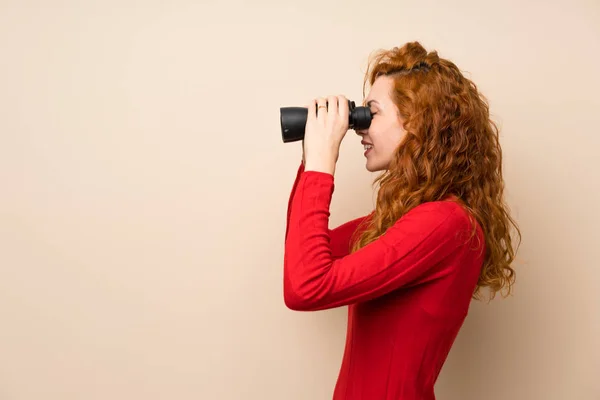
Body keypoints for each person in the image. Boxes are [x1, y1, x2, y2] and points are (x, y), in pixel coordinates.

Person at [282, 41, 521, 400]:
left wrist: (322, 162)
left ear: (418, 122)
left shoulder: (445, 223)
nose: (360, 127)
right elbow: (303, 256)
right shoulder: (406, 218)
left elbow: (307, 287)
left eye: (371, 113)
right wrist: (312, 155)